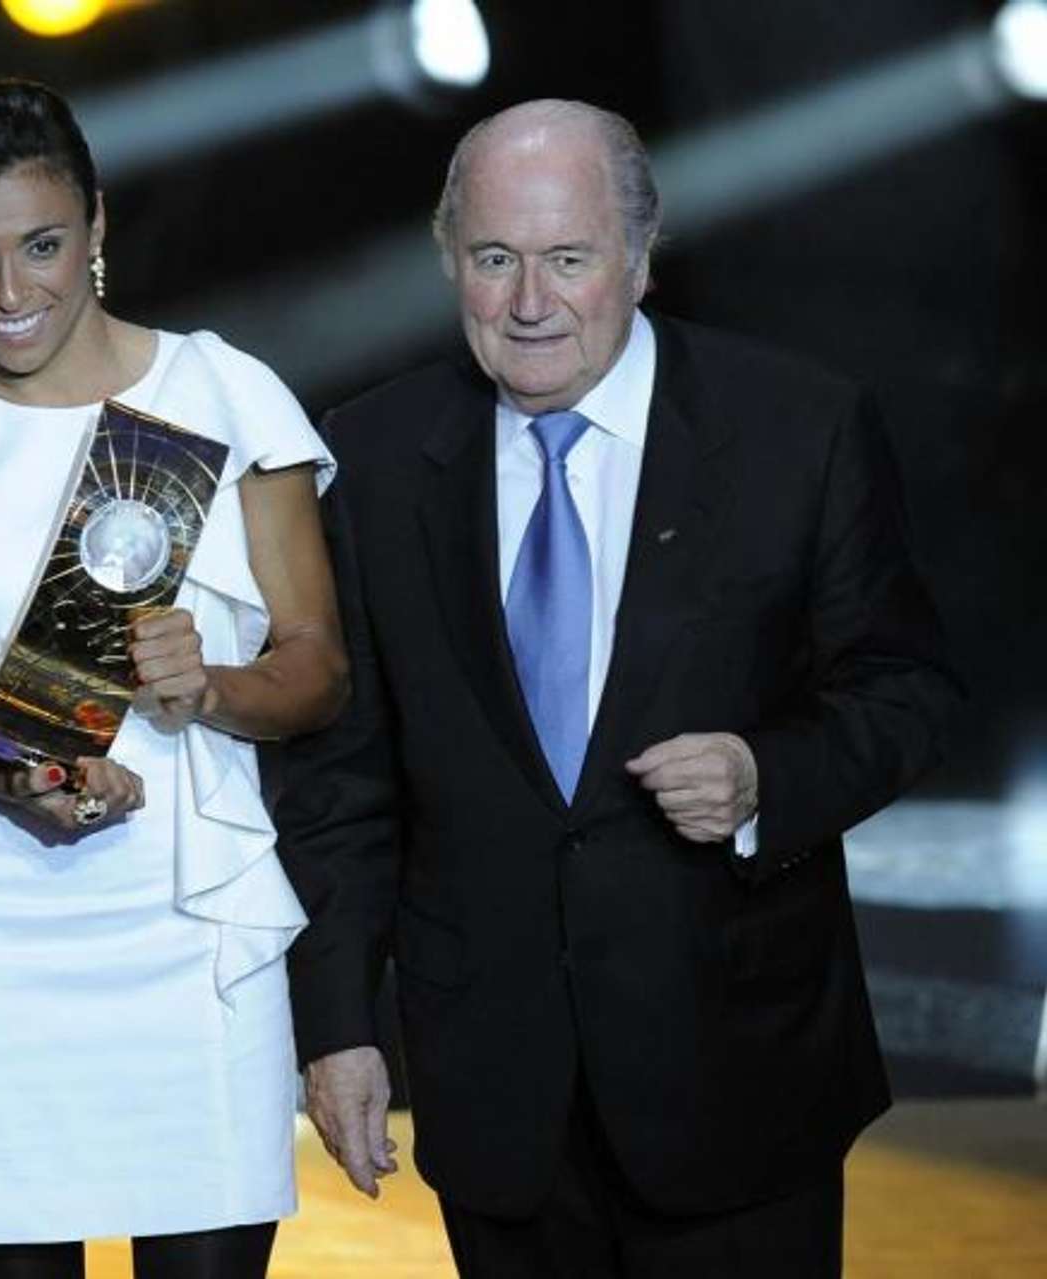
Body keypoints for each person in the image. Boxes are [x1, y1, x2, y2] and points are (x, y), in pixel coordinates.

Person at [277, 99, 961, 1277]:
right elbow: (343, 781)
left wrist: (765, 776)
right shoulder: (376, 456)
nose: (529, 303)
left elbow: (908, 687)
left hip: (738, 1077)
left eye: (569, 258)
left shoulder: (796, 426)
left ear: (640, 259)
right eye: (495, 259)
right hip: (497, 1090)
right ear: (449, 260)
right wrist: (337, 1026)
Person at [0, 78, 348, 1279]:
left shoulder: (221, 391)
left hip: (192, 925)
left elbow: (319, 668)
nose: (10, 293)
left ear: (98, 223)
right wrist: (5, 776)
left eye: (42, 245)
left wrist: (213, 689)